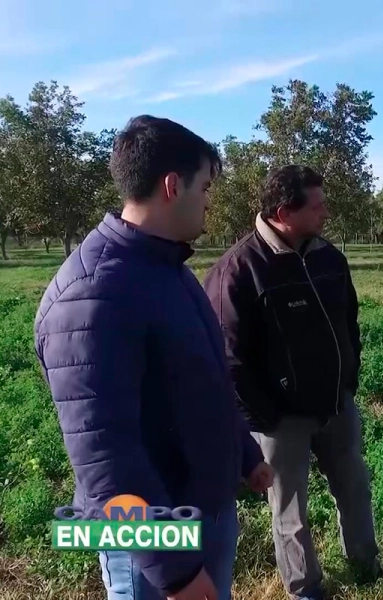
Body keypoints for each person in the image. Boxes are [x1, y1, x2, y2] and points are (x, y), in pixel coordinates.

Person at [33, 115, 274, 600]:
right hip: (151, 540)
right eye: (204, 187)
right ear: (171, 186)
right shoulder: (93, 294)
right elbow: (105, 455)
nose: (209, 201)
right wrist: (175, 573)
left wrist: (245, 456)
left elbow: (204, 380)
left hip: (202, 507)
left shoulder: (166, 268)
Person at [202, 164, 380, 600]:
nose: (326, 213)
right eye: (317, 205)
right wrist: (268, 415)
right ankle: (305, 589)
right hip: (281, 420)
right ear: (285, 211)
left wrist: (348, 379)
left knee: (354, 487)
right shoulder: (240, 270)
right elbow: (228, 358)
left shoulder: (328, 257)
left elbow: (349, 324)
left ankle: (366, 567)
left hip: (336, 404)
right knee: (290, 510)